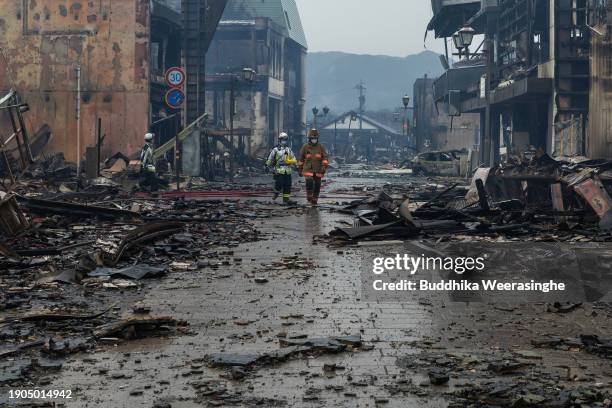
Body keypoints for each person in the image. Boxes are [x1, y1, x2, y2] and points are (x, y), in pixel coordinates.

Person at [298, 129, 329, 206]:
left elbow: (325, 158)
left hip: (318, 169)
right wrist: (300, 168)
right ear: (309, 138)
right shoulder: (305, 147)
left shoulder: (321, 147)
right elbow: (301, 158)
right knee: (309, 181)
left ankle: (315, 198)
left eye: (315, 138)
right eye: (312, 138)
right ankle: (309, 195)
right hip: (308, 169)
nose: (314, 140)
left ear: (317, 138)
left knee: (317, 184)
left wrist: (324, 167)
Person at [266, 132, 297, 205]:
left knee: (288, 185)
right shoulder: (275, 150)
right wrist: (267, 166)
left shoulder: (289, 150)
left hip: (288, 171)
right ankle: (276, 193)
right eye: (283, 139)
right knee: (279, 183)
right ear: (279, 140)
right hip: (279, 170)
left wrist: (296, 165)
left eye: (285, 140)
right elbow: (270, 159)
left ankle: (286, 200)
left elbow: (293, 158)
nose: (284, 141)